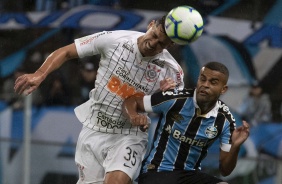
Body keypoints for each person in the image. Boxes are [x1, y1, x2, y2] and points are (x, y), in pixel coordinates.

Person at [14, 15, 184, 184]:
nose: (153, 43)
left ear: (170, 45)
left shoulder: (172, 71)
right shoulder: (114, 40)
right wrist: (39, 74)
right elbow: (66, 52)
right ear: (151, 25)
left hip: (130, 135)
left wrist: (165, 96)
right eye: (154, 35)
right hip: (94, 129)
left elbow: (177, 113)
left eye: (161, 43)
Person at [122, 62, 250, 184]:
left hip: (190, 176)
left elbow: (225, 170)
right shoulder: (175, 99)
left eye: (213, 82)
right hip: (157, 170)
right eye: (202, 79)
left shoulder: (226, 120)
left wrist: (236, 146)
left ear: (223, 89)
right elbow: (132, 101)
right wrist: (134, 116)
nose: (205, 85)